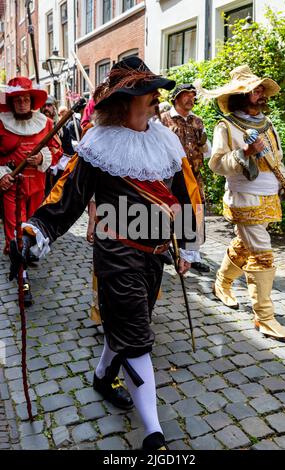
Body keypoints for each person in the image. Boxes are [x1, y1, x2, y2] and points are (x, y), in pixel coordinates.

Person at [12, 57, 204, 450]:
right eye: (145, 94)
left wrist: (187, 245)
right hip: (116, 253)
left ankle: (102, 377)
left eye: (154, 93)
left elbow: (186, 194)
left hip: (154, 255)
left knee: (126, 325)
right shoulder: (98, 145)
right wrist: (34, 232)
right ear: (123, 101)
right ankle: (154, 435)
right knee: (137, 336)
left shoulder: (165, 139)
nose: (155, 100)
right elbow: (67, 197)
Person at [199, 65, 285, 344]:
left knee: (245, 245)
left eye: (260, 90)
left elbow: (276, 160)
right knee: (263, 254)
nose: (260, 94)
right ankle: (265, 317)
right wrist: (244, 152)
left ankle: (222, 282)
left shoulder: (268, 125)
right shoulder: (226, 125)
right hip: (244, 198)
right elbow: (217, 164)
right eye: (254, 90)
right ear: (240, 96)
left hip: (269, 196)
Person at [0, 77, 62, 304]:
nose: (22, 103)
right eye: (18, 100)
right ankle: (22, 278)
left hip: (37, 185)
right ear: (12, 102)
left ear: (32, 100)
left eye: (26, 99)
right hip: (11, 186)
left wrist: (41, 157)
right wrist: (1, 175)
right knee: (16, 231)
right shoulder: (0, 122)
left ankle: (28, 254)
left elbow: (56, 149)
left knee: (33, 228)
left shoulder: (45, 123)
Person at [161, 83, 211, 273]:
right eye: (186, 95)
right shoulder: (163, 120)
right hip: (171, 178)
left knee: (194, 214)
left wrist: (204, 145)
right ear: (176, 98)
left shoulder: (198, 121)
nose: (191, 98)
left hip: (194, 177)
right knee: (171, 213)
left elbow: (207, 151)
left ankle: (191, 255)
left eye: (193, 95)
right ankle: (165, 248)